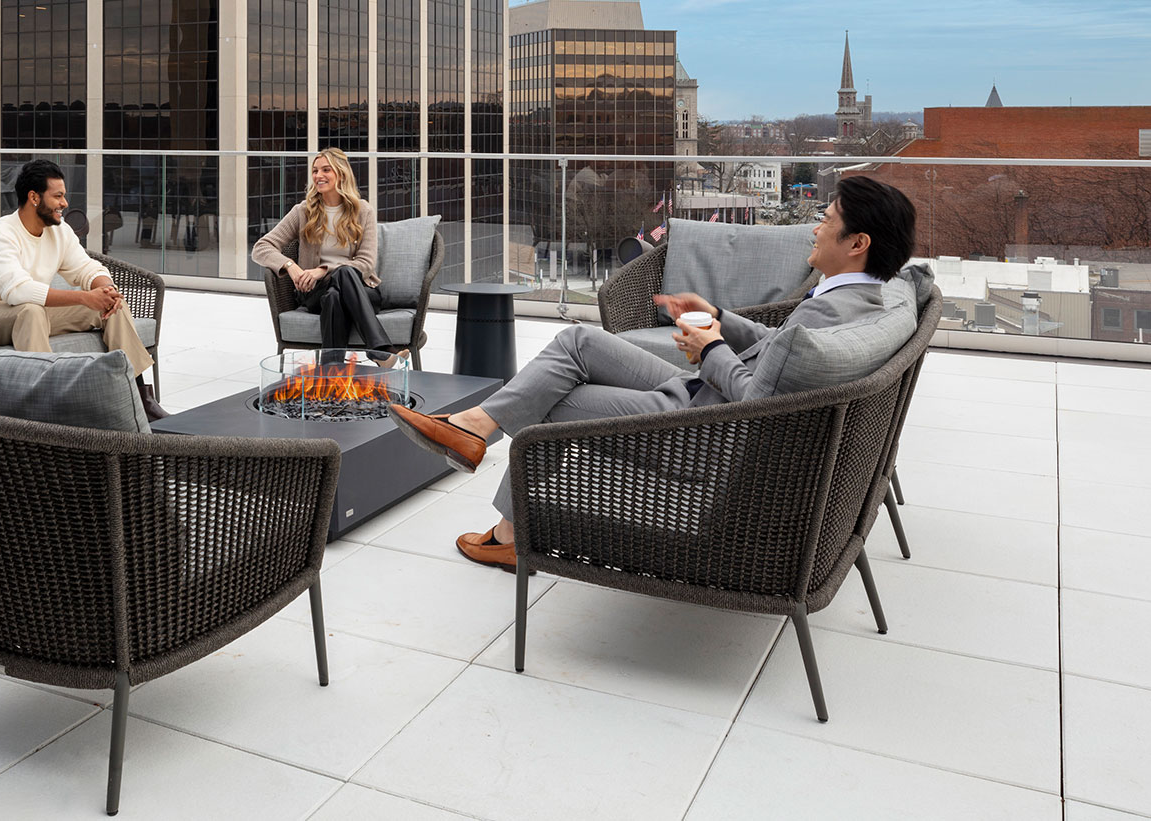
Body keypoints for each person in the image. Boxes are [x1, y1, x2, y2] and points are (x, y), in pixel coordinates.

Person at [387, 175, 919, 571]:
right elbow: (782, 352)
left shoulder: (832, 311)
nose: (817, 225)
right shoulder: (857, 298)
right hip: (701, 397)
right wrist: (720, 319)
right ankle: (476, 430)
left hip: (697, 427)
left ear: (857, 243)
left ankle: (507, 526)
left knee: (552, 402)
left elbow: (757, 399)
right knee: (577, 341)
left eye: (827, 218)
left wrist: (710, 348)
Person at [0, 159, 168, 421]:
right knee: (30, 311)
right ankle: (46, 410)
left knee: (111, 305)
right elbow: (17, 292)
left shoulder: (59, 231)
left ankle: (139, 397)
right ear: (34, 197)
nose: (64, 203)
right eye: (57, 196)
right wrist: (84, 298)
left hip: (30, 311)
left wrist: (105, 291)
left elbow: (86, 268)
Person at [251, 148, 394, 356]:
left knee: (335, 294)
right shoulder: (303, 211)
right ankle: (380, 349)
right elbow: (261, 247)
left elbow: (365, 263)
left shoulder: (363, 211)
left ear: (341, 174)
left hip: (361, 291)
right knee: (334, 286)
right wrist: (290, 266)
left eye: (326, 170)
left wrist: (322, 270)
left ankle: (330, 374)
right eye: (315, 171)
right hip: (314, 292)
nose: (318, 176)